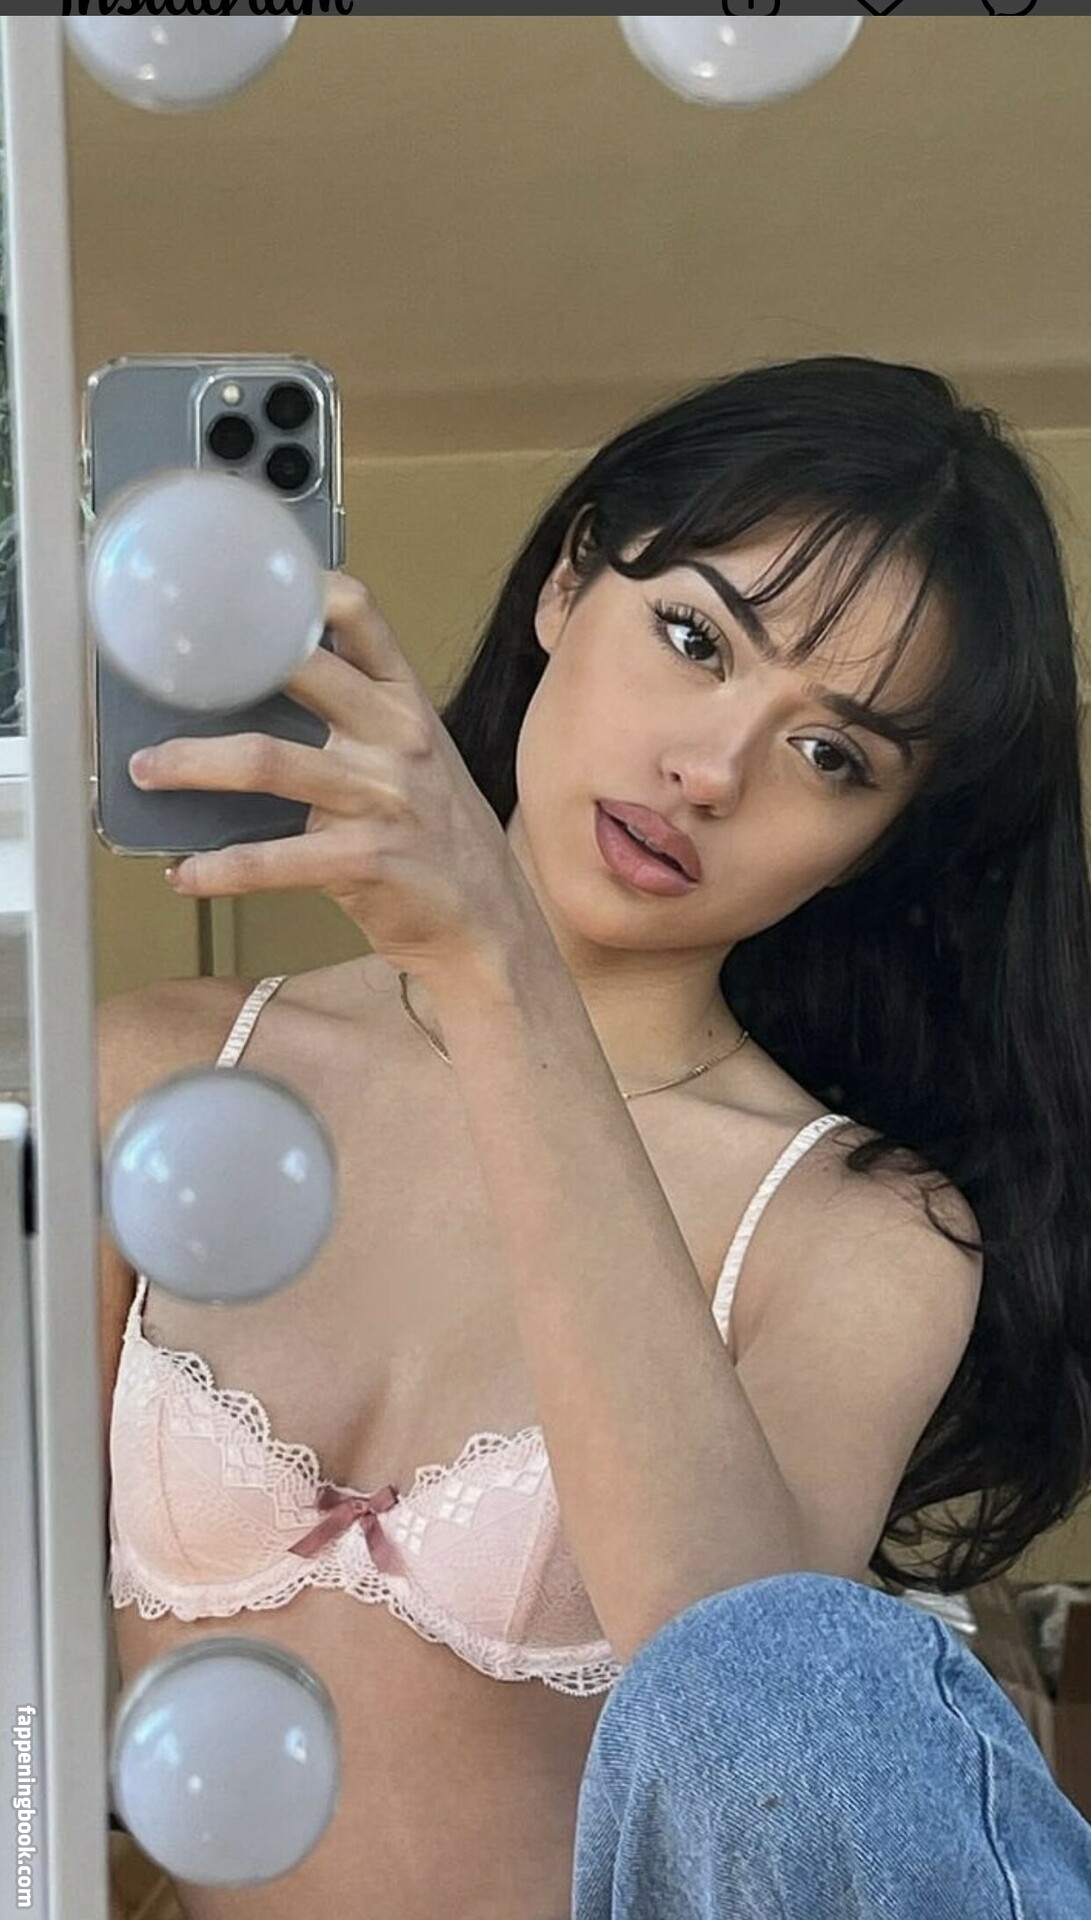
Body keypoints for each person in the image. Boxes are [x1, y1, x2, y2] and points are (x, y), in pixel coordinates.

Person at [101, 355, 1091, 1919]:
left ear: (877, 845)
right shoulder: (159, 1077)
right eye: (696, 638)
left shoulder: (861, 1237)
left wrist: (497, 969)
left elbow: (750, 1723)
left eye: (834, 756)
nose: (710, 772)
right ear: (570, 582)